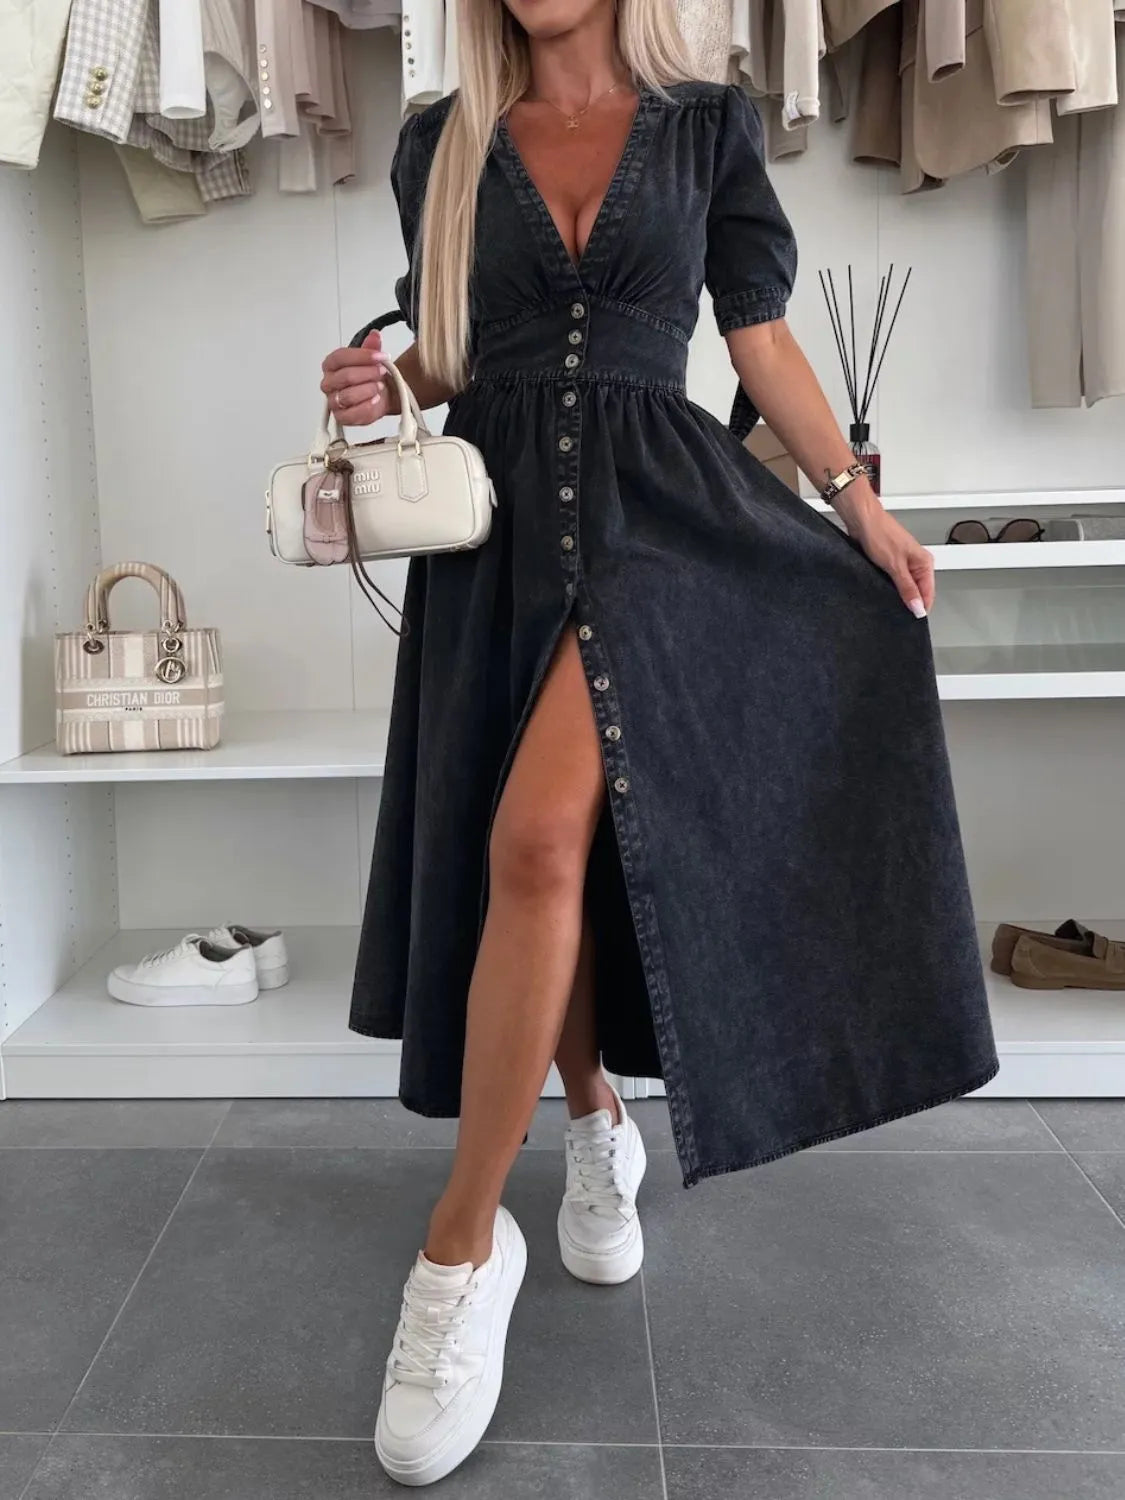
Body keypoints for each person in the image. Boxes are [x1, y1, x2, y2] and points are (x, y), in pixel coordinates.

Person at [319, 0, 998, 1486]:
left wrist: (858, 502)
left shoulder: (707, 126)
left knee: (538, 836)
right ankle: (592, 1119)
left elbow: (758, 337)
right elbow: (450, 353)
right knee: (548, 854)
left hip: (658, 518)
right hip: (496, 539)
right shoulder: (442, 141)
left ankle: (457, 1254)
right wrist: (385, 384)